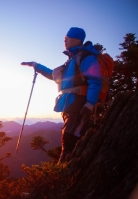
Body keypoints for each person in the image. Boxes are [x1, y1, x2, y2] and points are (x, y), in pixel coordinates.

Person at [21, 27, 102, 163]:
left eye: (67, 38)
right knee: (72, 135)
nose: (64, 40)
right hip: (69, 104)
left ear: (77, 40)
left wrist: (89, 104)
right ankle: (71, 166)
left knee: (70, 136)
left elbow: (95, 81)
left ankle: (65, 170)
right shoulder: (73, 59)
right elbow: (55, 76)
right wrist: (36, 66)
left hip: (79, 103)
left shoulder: (86, 57)